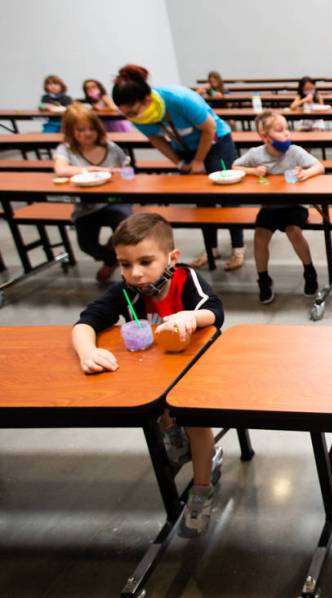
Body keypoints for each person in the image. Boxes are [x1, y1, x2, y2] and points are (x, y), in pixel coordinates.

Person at [71, 212, 224, 536]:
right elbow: (86, 321)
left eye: (145, 261)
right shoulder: (128, 291)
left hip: (195, 370)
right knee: (158, 412)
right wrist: (87, 351)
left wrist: (189, 318)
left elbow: (214, 310)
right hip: (154, 373)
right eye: (125, 264)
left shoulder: (186, 279)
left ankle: (201, 488)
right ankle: (173, 435)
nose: (135, 273)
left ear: (172, 258)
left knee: (196, 424)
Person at [112, 64, 245, 271]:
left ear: (147, 100)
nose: (131, 117)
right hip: (184, 149)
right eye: (125, 113)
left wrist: (199, 161)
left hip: (217, 143)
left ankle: (238, 247)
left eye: (133, 111)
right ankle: (211, 248)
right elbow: (156, 139)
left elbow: (208, 129)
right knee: (202, 200)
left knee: (227, 196)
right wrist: (179, 162)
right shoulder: (140, 116)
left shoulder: (179, 99)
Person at [232, 111, 325, 304]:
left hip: (294, 206)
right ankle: (264, 280)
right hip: (269, 208)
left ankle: (309, 271)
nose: (287, 134)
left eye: (287, 129)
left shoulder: (295, 151)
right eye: (280, 130)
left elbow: (319, 166)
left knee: (294, 232)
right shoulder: (256, 154)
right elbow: (235, 167)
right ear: (265, 137)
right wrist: (253, 171)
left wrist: (306, 174)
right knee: (259, 237)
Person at [53, 104, 133, 283]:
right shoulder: (66, 149)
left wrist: (122, 174)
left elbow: (128, 171)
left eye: (91, 129)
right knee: (86, 244)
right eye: (80, 130)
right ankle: (111, 259)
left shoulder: (110, 147)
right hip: (86, 205)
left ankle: (127, 263)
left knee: (125, 230)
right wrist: (93, 169)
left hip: (114, 200)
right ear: (71, 131)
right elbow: (60, 169)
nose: (87, 133)